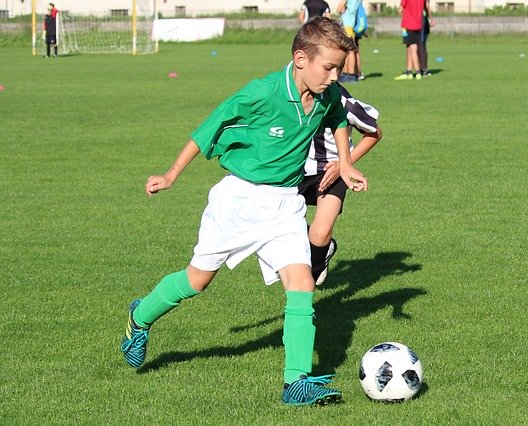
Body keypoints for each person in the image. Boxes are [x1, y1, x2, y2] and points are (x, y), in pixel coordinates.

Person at [120, 17, 365, 406]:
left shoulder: (326, 94)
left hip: (286, 203)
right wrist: (170, 175)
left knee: (302, 285)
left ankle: (295, 383)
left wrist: (346, 163)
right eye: (329, 67)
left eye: (339, 67)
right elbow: (207, 128)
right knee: (197, 280)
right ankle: (141, 317)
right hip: (239, 202)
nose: (335, 76)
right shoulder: (262, 93)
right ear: (301, 59)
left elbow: (338, 119)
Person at [299, 82, 382, 285]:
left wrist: (344, 164)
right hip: (293, 172)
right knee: (281, 227)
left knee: (320, 232)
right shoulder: (288, 98)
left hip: (332, 172)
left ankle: (308, 279)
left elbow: (374, 133)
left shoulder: (344, 102)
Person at [394, 0, 425, 80]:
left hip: (409, 24)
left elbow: (400, 9)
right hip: (418, 25)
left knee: (412, 48)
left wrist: (401, 12)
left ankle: (418, 72)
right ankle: (409, 72)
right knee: (408, 47)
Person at [336, 0, 362, 83]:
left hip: (347, 26)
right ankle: (349, 74)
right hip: (351, 25)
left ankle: (350, 75)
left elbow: (339, 9)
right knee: (351, 50)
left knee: (349, 51)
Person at [417, 0, 435, 77]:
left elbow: (427, 6)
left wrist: (430, 19)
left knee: (420, 45)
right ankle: (423, 69)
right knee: (421, 45)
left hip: (422, 21)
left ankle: (424, 69)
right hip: (422, 20)